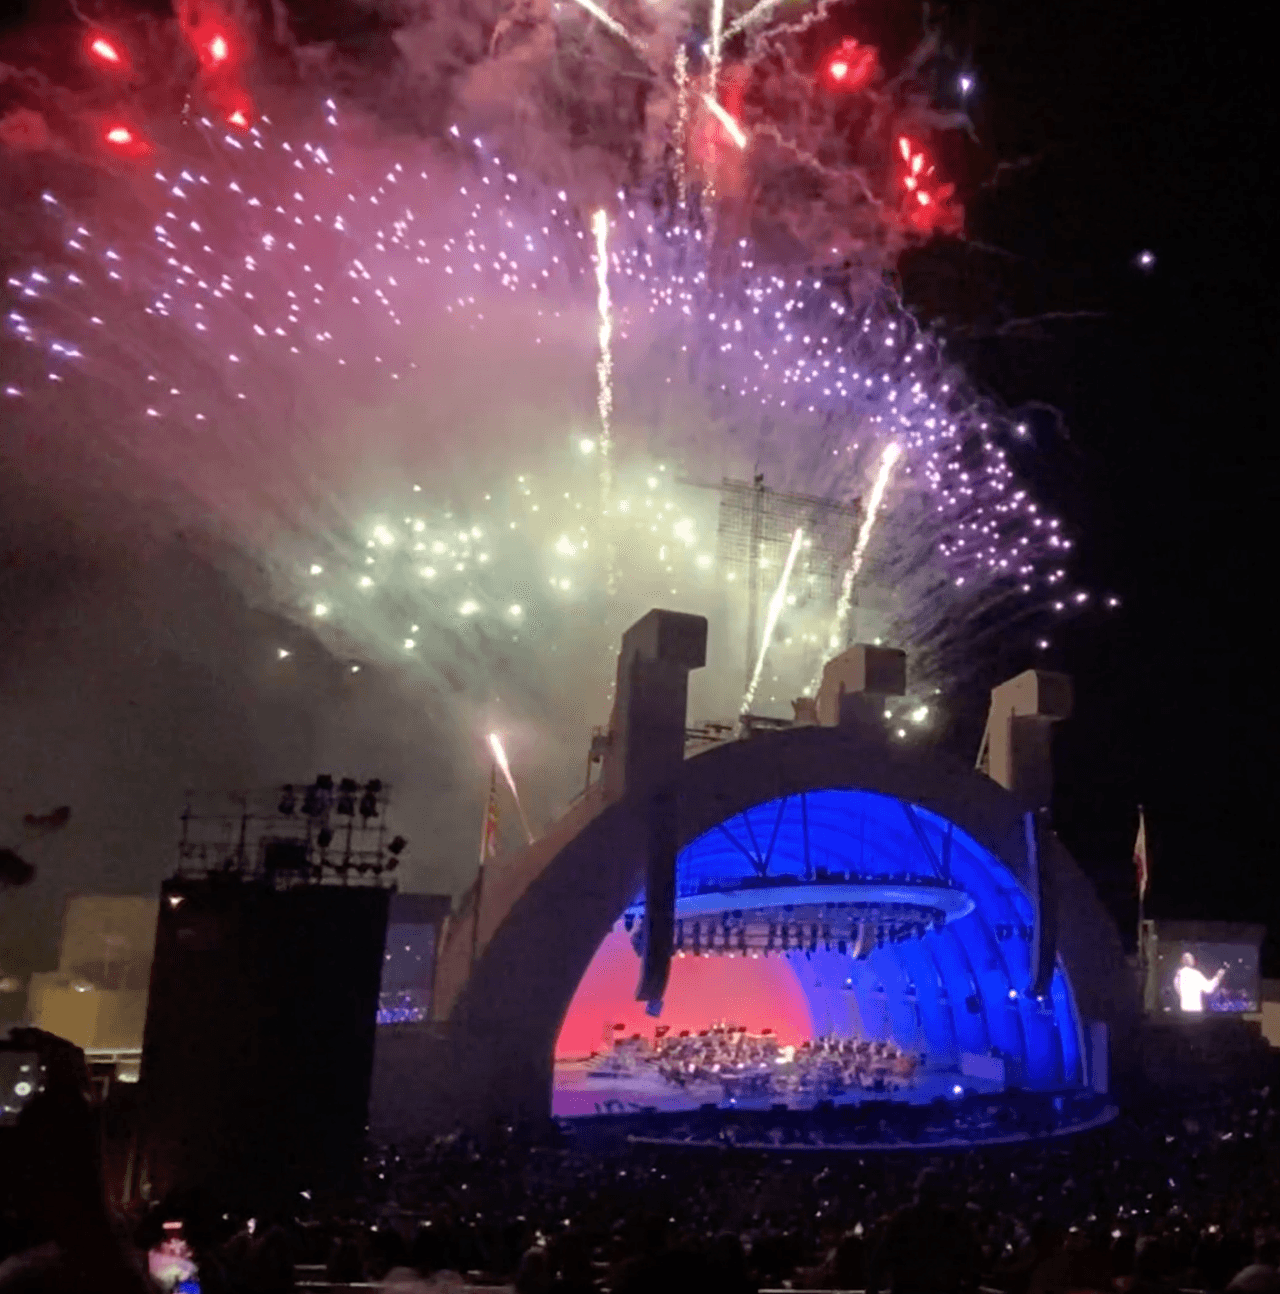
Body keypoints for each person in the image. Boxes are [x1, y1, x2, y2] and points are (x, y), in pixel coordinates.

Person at [866, 1167, 979, 1294]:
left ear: (918, 1192)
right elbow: (972, 1265)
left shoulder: (904, 1218)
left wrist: (872, 1287)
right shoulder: (955, 1222)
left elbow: (881, 1257)